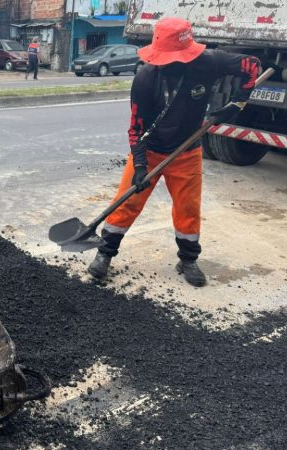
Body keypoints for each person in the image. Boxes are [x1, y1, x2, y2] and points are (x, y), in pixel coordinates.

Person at [87, 17, 261, 287]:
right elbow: (136, 127)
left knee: (188, 208)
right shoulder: (145, 77)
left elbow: (253, 67)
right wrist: (141, 164)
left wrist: (237, 102)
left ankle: (188, 259)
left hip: (187, 151)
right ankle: (105, 254)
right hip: (152, 149)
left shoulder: (209, 62)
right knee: (127, 202)